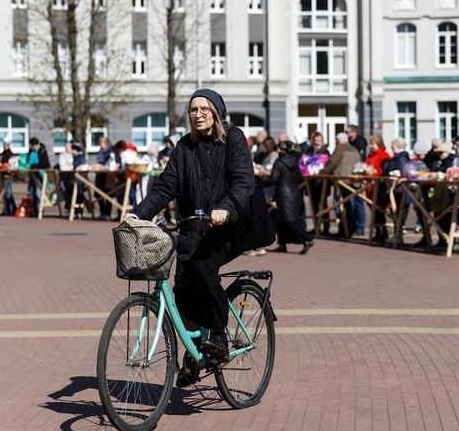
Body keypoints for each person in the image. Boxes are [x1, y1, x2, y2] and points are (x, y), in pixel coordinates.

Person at [127, 88, 254, 369]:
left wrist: (225, 209)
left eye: (204, 109)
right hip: (192, 229)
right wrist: (138, 215)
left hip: (228, 227)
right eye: (193, 110)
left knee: (203, 268)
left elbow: (244, 182)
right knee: (183, 288)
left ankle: (219, 334)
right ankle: (196, 356)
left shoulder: (234, 138)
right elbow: (165, 187)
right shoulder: (184, 146)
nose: (198, 115)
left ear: (217, 113)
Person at [263, 141, 314, 254]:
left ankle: (307, 239)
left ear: (281, 150)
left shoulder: (279, 162)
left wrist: (260, 183)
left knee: (290, 220)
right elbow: (299, 178)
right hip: (295, 192)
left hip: (283, 193)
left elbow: (273, 179)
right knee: (282, 220)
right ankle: (282, 244)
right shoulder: (296, 161)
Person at [321, 132, 364, 236]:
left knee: (339, 205)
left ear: (338, 141)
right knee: (351, 205)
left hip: (341, 181)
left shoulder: (340, 149)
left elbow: (332, 164)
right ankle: (353, 228)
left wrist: (321, 173)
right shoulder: (355, 150)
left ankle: (343, 229)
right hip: (353, 181)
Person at [28, 138, 49, 217]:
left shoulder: (43, 152)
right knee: (31, 192)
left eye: (34, 146)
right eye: (31, 146)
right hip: (32, 174)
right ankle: (34, 210)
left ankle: (39, 210)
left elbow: (45, 163)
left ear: (38, 144)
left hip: (40, 174)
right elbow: (28, 160)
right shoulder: (30, 151)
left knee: (38, 192)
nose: (32, 148)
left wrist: (33, 166)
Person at [96, 137, 115, 220]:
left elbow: (111, 162)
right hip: (100, 175)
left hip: (107, 175)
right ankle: (102, 212)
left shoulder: (111, 151)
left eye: (101, 143)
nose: (100, 145)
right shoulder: (101, 151)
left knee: (108, 194)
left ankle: (107, 213)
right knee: (98, 194)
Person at [0, 141, 16, 216]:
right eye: (4, 145)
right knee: (5, 194)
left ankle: (11, 210)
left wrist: (1, 164)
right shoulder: (3, 153)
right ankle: (7, 210)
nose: (5, 146)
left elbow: (9, 165)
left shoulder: (9, 154)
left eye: (7, 145)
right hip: (3, 175)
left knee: (8, 193)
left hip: (8, 176)